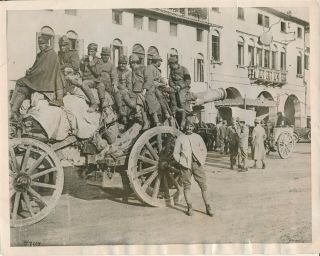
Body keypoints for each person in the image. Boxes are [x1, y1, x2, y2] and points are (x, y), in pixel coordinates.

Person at [10, 35, 65, 121]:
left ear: (47, 43)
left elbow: (44, 70)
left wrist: (33, 73)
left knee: (20, 81)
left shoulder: (52, 54)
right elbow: (36, 67)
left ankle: (12, 106)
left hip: (46, 84)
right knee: (23, 89)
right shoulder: (40, 54)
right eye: (39, 44)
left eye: (42, 43)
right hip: (37, 81)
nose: (40, 46)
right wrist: (30, 70)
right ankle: (13, 111)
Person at [173, 120, 214, 217]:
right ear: (185, 127)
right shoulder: (180, 138)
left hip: (197, 164)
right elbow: (176, 153)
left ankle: (208, 207)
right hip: (185, 165)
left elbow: (204, 149)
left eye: (191, 126)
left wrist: (201, 161)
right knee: (187, 186)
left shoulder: (197, 137)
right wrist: (181, 161)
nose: (189, 128)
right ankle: (189, 208)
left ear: (193, 127)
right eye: (187, 126)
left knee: (203, 185)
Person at [144, 54, 170, 125]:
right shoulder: (149, 68)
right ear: (157, 61)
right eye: (160, 61)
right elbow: (149, 80)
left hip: (158, 88)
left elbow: (160, 78)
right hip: (151, 87)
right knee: (152, 99)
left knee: (163, 96)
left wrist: (163, 82)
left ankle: (166, 112)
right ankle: (156, 120)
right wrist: (159, 84)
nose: (160, 63)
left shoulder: (157, 70)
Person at [80, 43, 105, 112]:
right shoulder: (86, 59)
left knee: (84, 84)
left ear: (95, 51)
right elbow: (82, 70)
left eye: (91, 51)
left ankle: (93, 103)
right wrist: (81, 62)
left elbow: (97, 73)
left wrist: (91, 62)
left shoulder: (99, 61)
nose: (89, 52)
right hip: (85, 78)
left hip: (94, 80)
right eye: (88, 50)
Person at [129, 54, 149, 129]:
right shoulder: (132, 70)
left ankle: (145, 122)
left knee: (140, 103)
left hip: (142, 90)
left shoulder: (144, 68)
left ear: (134, 63)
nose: (131, 65)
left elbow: (147, 79)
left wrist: (144, 90)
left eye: (131, 64)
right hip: (133, 91)